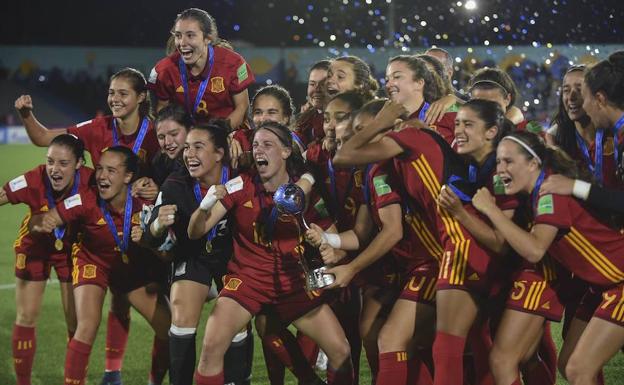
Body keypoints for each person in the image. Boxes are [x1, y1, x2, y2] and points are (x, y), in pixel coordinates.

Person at [334, 96, 516, 385]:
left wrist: (384, 120)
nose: (458, 131)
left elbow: (344, 157)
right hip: (451, 254)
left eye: (467, 125)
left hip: (462, 254)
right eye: (457, 125)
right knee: (479, 350)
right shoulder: (396, 164)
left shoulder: (413, 142)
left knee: (464, 349)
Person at [16, 67, 164, 385]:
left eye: (123, 93)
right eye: (111, 92)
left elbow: (174, 176)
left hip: (136, 235)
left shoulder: (156, 135)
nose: (115, 99)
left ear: (141, 97)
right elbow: (45, 138)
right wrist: (27, 114)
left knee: (147, 316)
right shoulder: (97, 128)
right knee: (90, 321)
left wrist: (157, 186)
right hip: (96, 232)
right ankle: (110, 373)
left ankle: (119, 372)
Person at [188, 121, 353, 385]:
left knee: (341, 350)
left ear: (286, 151)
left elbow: (336, 242)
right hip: (248, 280)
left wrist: (332, 252)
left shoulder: (305, 194)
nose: (258, 151)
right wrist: (204, 207)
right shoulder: (241, 184)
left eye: (267, 145)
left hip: (294, 281)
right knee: (210, 347)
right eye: (255, 145)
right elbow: (196, 231)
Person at [472, 131, 624, 385]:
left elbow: (535, 250)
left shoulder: (550, 191)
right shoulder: (541, 190)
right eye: (498, 162)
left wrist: (490, 210)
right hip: (602, 287)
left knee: (578, 368)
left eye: (508, 161)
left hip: (620, 283)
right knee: (570, 365)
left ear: (533, 164)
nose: (500, 169)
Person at [28, 147, 171, 385]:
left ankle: (154, 381)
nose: (102, 176)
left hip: (131, 270)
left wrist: (147, 240)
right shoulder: (85, 199)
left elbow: (167, 253)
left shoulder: (147, 203)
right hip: (93, 261)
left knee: (168, 329)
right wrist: (41, 223)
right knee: (87, 325)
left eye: (111, 170)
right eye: (100, 169)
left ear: (128, 177)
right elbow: (46, 219)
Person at [142, 122, 253, 385]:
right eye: (187, 147)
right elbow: (148, 237)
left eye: (198, 147)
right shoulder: (174, 184)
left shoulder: (240, 177)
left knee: (237, 323)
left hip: (233, 259)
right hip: (192, 256)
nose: (189, 154)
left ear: (219, 153)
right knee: (181, 315)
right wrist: (158, 224)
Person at [0, 134, 92, 385]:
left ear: (78, 164)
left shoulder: (91, 181)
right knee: (26, 316)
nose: (54, 169)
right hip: (35, 247)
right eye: (50, 161)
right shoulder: (34, 178)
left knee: (76, 322)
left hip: (72, 250)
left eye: (63, 163)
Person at [147, 8, 255, 163]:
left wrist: (219, 134)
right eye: (178, 36)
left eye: (190, 35)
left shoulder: (233, 64)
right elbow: (162, 110)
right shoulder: (164, 70)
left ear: (207, 38)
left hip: (228, 133)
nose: (182, 43)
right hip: (186, 140)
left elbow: (242, 107)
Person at [384, 55, 455, 144]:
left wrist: (453, 98)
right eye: (387, 79)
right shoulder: (384, 121)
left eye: (397, 77)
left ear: (419, 83)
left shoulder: (446, 117)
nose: (388, 85)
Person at [151, 104, 194, 186]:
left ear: (190, 131)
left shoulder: (204, 159)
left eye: (174, 134)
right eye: (161, 137)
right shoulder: (159, 162)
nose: (167, 142)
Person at [296, 60, 331, 147]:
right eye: (312, 84)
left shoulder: (344, 122)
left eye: (323, 84)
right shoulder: (306, 119)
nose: (317, 89)